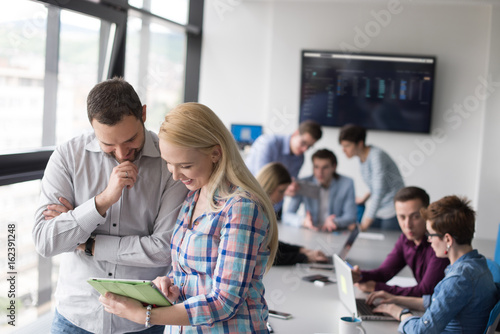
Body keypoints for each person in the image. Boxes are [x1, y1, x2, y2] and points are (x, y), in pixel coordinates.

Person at [99, 102, 279, 333]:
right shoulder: (193, 197)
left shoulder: (241, 207)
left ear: (215, 153)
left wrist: (143, 315)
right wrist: (170, 283)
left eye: (185, 165)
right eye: (169, 164)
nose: (175, 175)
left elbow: (225, 301)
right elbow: (189, 270)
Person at [32, 77, 188, 334]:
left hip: (142, 321)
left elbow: (165, 249)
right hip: (75, 317)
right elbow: (46, 241)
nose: (121, 153)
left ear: (144, 114)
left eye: (130, 140)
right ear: (92, 126)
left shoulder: (169, 160)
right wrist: (102, 201)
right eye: (108, 144)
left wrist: (88, 243)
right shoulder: (68, 156)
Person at [366, 195, 499, 334]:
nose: (428, 240)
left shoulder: (458, 278)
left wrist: (400, 313)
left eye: (430, 234)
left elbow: (421, 331)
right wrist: (396, 299)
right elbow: (441, 302)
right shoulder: (479, 263)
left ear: (447, 239)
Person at [352, 186, 449, 296]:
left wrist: (377, 287)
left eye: (415, 216)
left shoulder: (438, 245)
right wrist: (359, 275)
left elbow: (425, 291)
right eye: (402, 217)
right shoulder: (405, 239)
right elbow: (384, 273)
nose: (407, 225)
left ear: (426, 214)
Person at [256, 162, 328, 265]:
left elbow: (270, 243)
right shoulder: (255, 213)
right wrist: (305, 257)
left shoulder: (263, 210)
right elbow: (265, 255)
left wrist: (302, 250)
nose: (282, 197)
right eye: (281, 191)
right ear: (269, 186)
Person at [338, 124, 404, 231]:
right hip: (380, 208)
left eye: (347, 146)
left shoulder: (376, 156)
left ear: (360, 144)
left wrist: (365, 224)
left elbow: (379, 190)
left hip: (392, 209)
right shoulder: (362, 158)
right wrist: (365, 198)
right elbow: (376, 183)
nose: (343, 150)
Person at [245, 120, 322, 202]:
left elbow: (288, 183)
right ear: (296, 133)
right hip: (251, 199)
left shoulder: (300, 158)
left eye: (309, 146)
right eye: (303, 143)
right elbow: (262, 181)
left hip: (275, 205)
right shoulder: (268, 143)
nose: (305, 149)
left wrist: (291, 188)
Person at [287, 149, 357, 231]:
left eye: (325, 167)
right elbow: (287, 215)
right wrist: (303, 221)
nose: (320, 172)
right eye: (316, 167)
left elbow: (351, 216)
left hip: (334, 233)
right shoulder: (304, 183)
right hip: (311, 232)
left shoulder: (347, 183)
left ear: (334, 167)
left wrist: (335, 221)